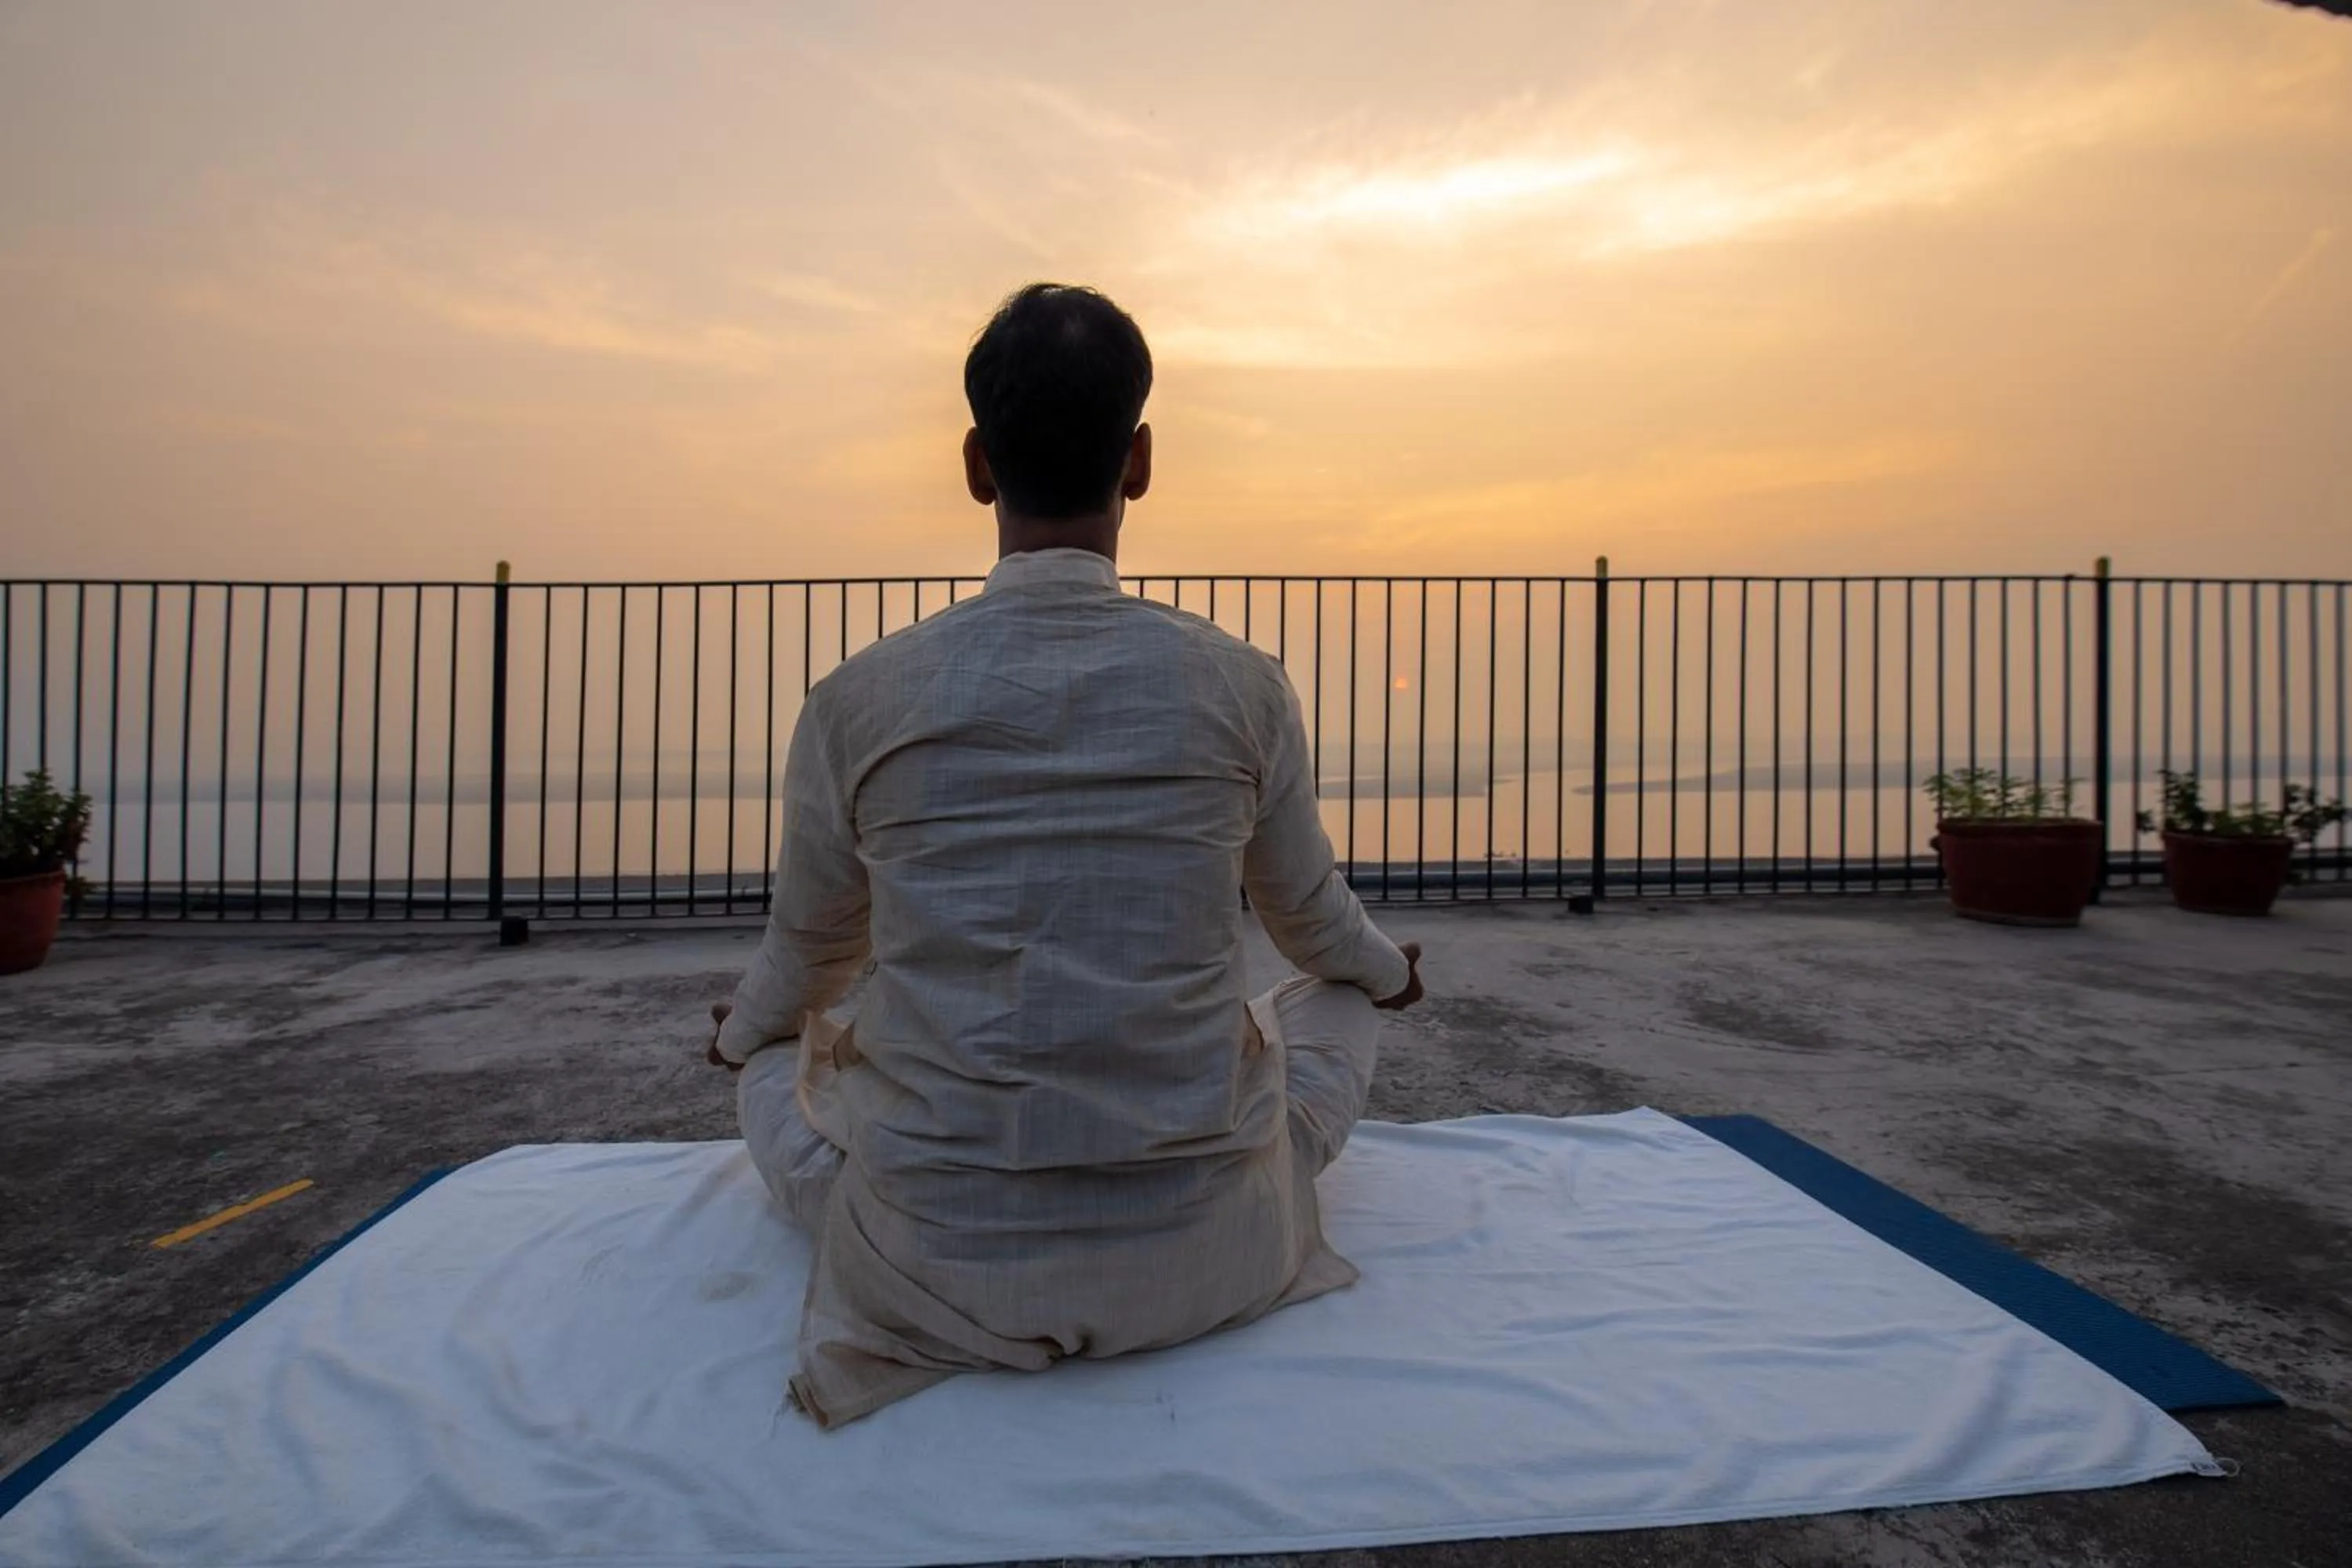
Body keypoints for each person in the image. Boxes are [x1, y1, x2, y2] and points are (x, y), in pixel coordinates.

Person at [706, 281, 1426, 1429]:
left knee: (771, 1055)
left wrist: (742, 1035)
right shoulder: (1241, 685)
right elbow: (1312, 924)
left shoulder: (858, 701)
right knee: (1338, 1002)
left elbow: (809, 959)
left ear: (977, 464)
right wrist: (1391, 972)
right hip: (1210, 1253)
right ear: (1137, 463)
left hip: (932, 1264)